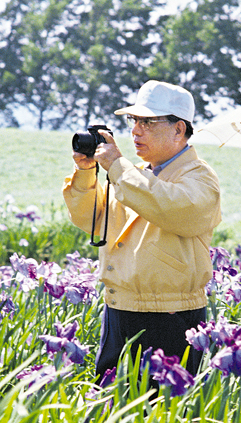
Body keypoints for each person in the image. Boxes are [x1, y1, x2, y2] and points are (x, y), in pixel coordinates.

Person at [62, 80, 222, 380]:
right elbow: (91, 220)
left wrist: (118, 166)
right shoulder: (133, 175)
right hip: (119, 308)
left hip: (172, 316)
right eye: (133, 120)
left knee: (164, 413)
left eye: (148, 122)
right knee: (111, 408)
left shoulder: (200, 177)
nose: (136, 131)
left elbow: (174, 209)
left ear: (179, 129)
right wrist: (86, 173)